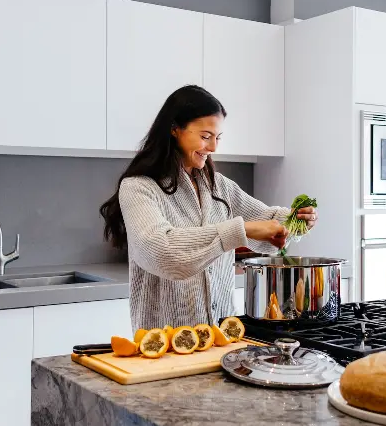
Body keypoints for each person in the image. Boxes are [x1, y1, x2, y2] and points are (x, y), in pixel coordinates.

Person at [100, 85, 317, 331]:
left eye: (217, 137)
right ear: (174, 129)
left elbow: (266, 222)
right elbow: (161, 252)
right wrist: (241, 230)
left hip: (224, 337)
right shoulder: (139, 188)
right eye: (205, 136)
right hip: (165, 344)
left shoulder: (219, 186)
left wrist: (296, 220)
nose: (213, 147)